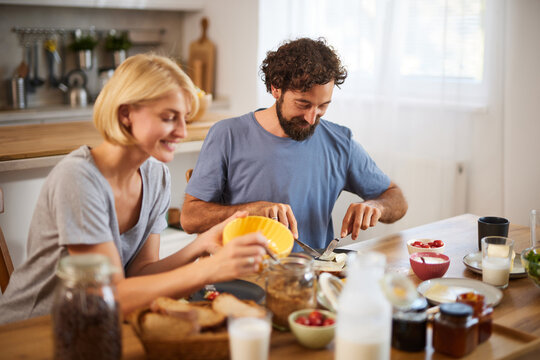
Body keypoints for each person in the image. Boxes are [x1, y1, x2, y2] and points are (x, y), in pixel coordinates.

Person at [0, 54, 267, 325]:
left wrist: (202, 244)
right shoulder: (78, 178)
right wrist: (209, 270)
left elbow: (141, 274)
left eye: (184, 118)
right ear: (125, 113)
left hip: (94, 329)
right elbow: (111, 297)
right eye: (169, 117)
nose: (182, 132)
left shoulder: (156, 176)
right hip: (32, 330)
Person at [181, 38, 408, 251]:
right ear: (275, 88)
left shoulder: (340, 143)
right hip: (244, 278)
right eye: (303, 104)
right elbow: (190, 218)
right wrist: (251, 210)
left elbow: (396, 198)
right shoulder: (227, 135)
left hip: (311, 278)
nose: (312, 118)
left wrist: (377, 207)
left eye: (322, 106)